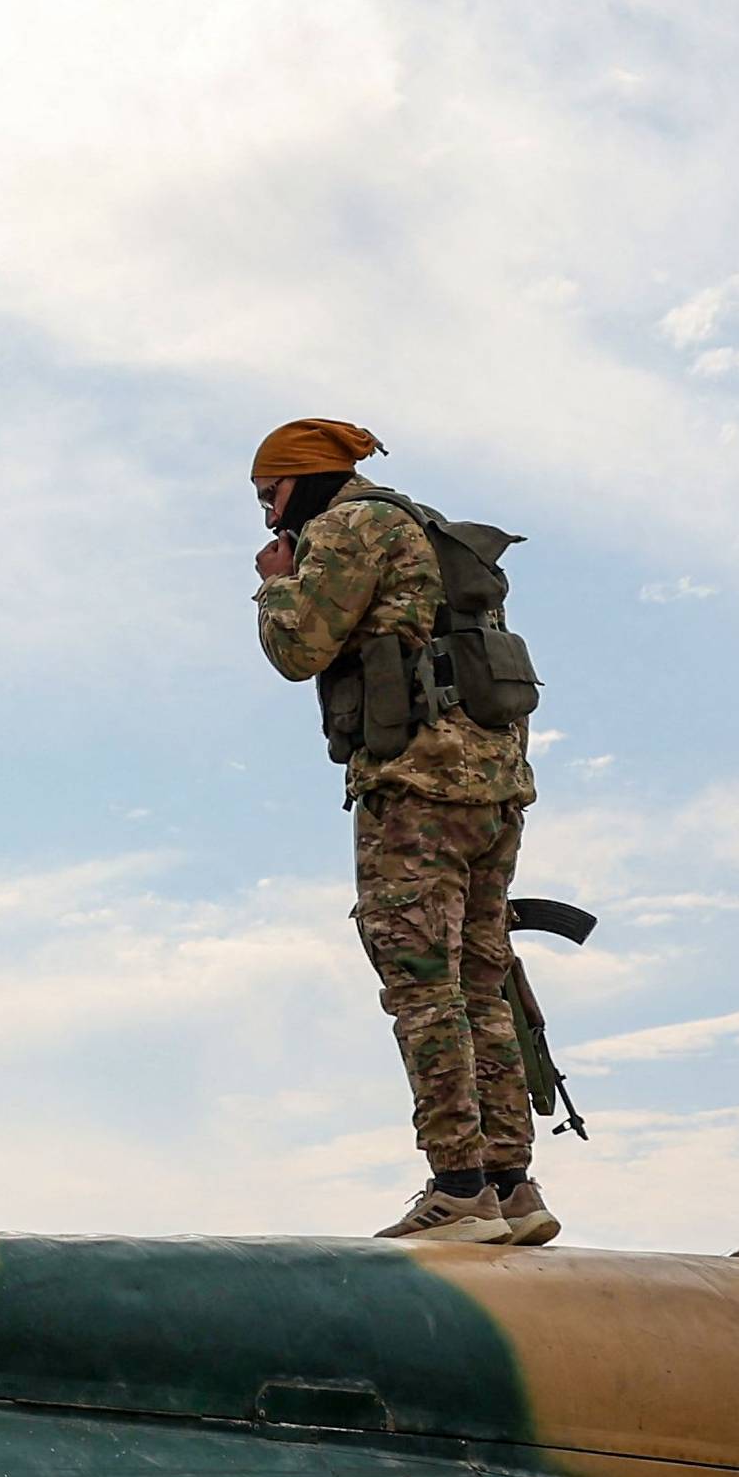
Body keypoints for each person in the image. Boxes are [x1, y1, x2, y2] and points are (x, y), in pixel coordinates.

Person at [248, 418, 550, 1246]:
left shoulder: (348, 527)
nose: (271, 519)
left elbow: (298, 648)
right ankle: (510, 1184)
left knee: (423, 986)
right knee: (481, 983)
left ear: (304, 479)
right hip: (491, 790)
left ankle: (457, 1189)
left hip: (416, 791)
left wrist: (276, 583)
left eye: (271, 495)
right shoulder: (419, 524)